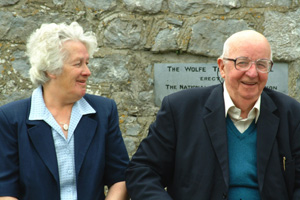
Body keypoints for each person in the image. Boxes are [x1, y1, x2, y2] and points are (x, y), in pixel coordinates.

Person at [125, 30, 300, 199]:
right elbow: (142, 171)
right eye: (242, 62)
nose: (252, 73)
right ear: (222, 67)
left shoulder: (291, 114)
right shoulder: (180, 110)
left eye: (262, 64)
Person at [0, 22, 129, 200]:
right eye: (78, 64)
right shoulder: (11, 118)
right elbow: (6, 190)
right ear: (52, 69)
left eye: (87, 63)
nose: (87, 71)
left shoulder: (104, 112)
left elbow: (121, 178)